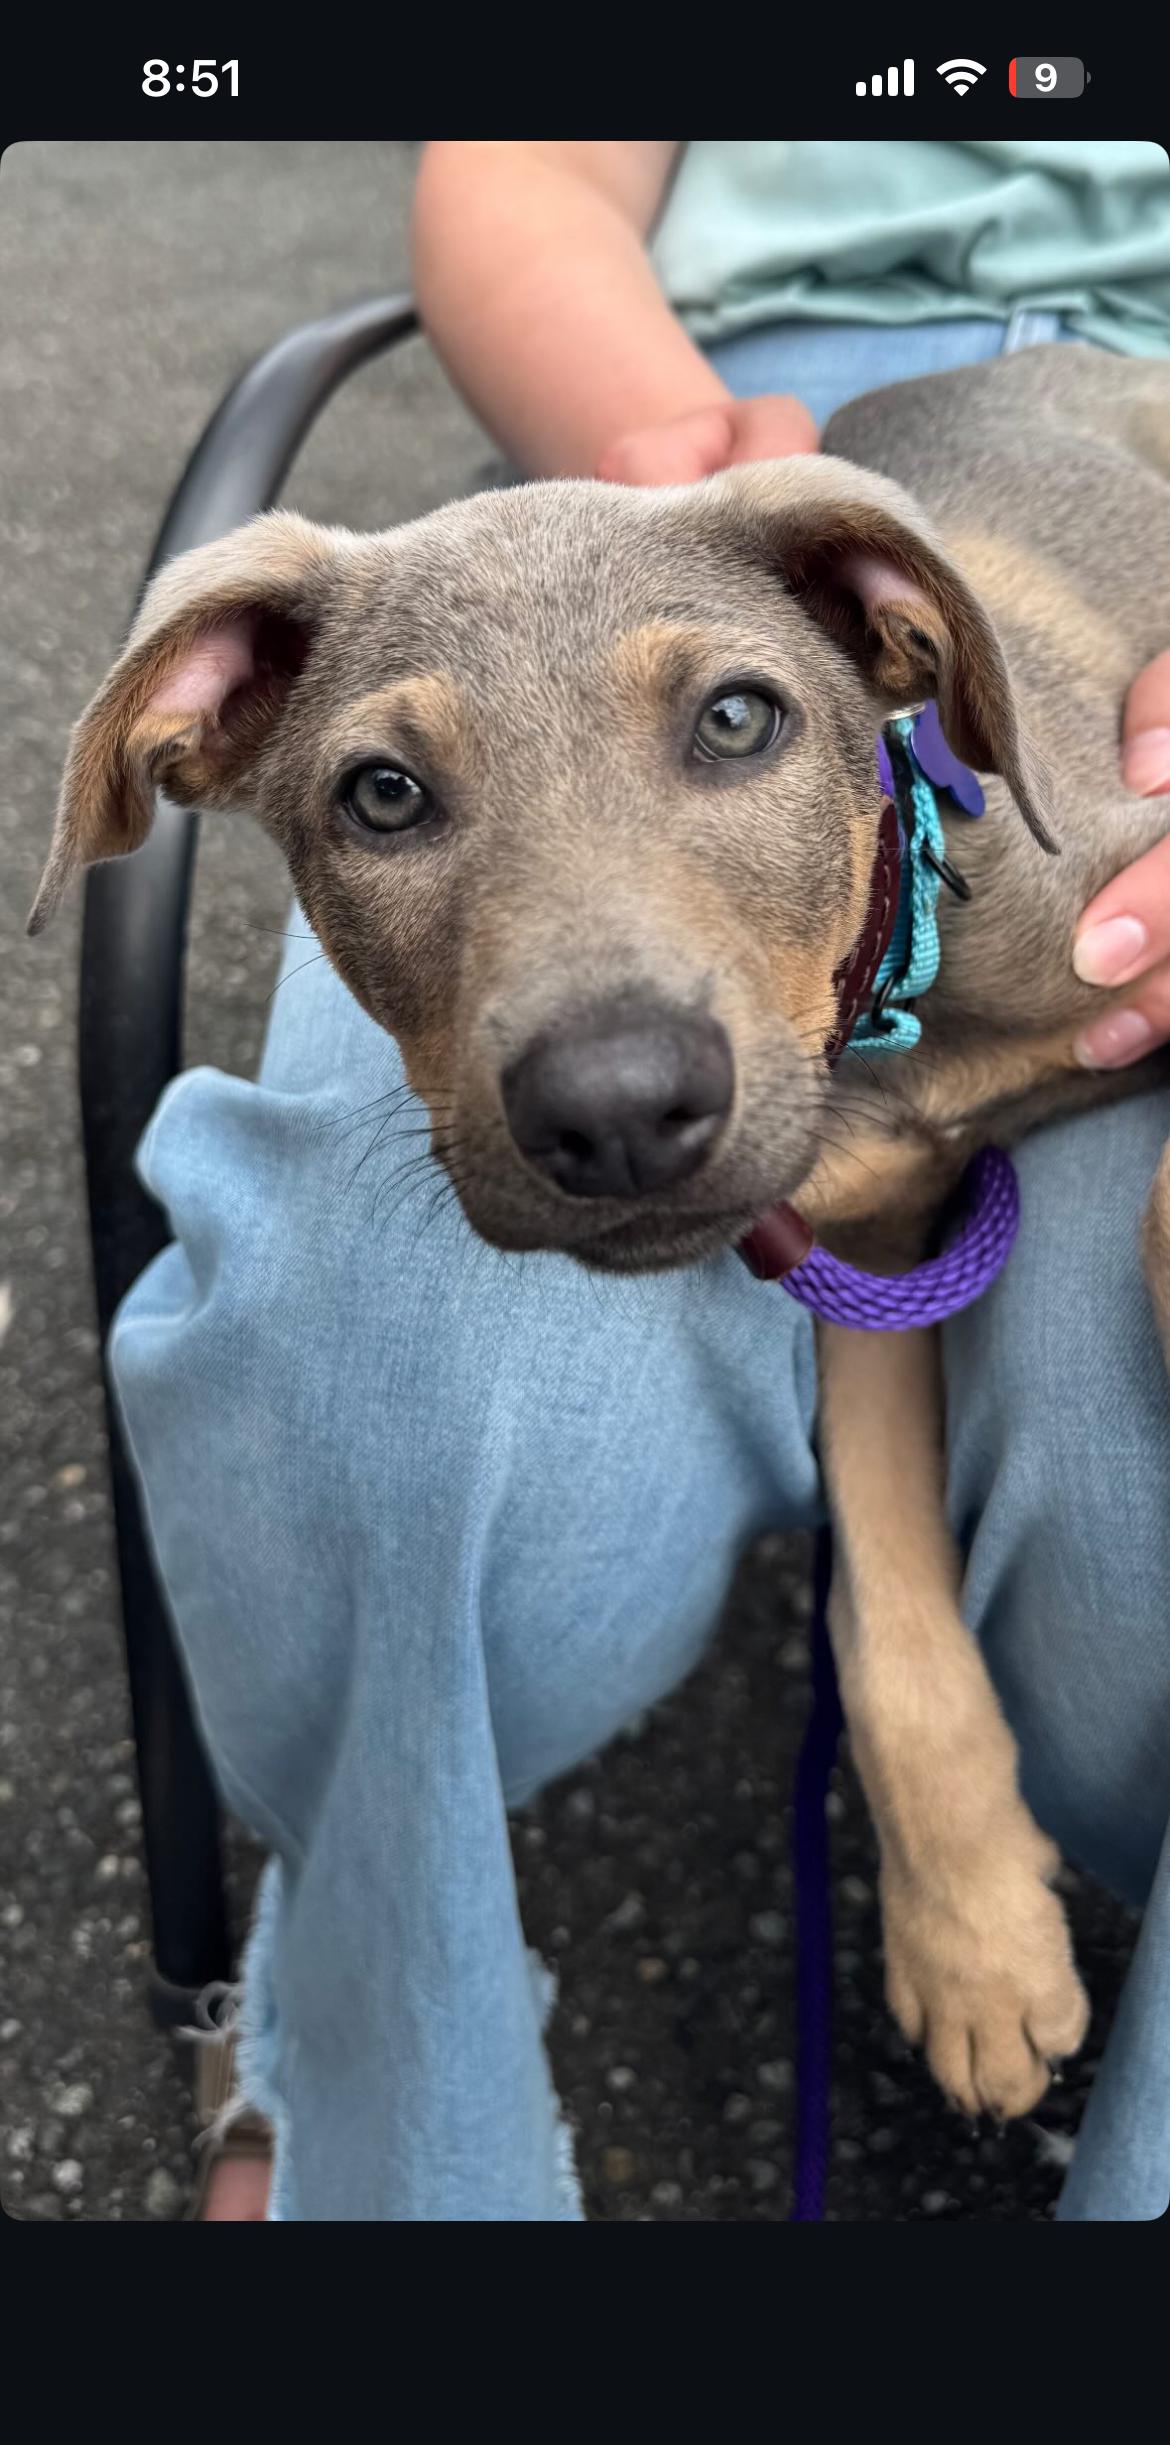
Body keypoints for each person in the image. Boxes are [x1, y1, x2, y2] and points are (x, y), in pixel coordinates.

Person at [108, 141, 1170, 2220]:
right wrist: (662, 476)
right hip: (685, 446)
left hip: (1105, 461)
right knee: (358, 1361)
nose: (605, 1091)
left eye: (742, 723)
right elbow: (521, 167)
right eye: (381, 794)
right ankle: (379, 2115)